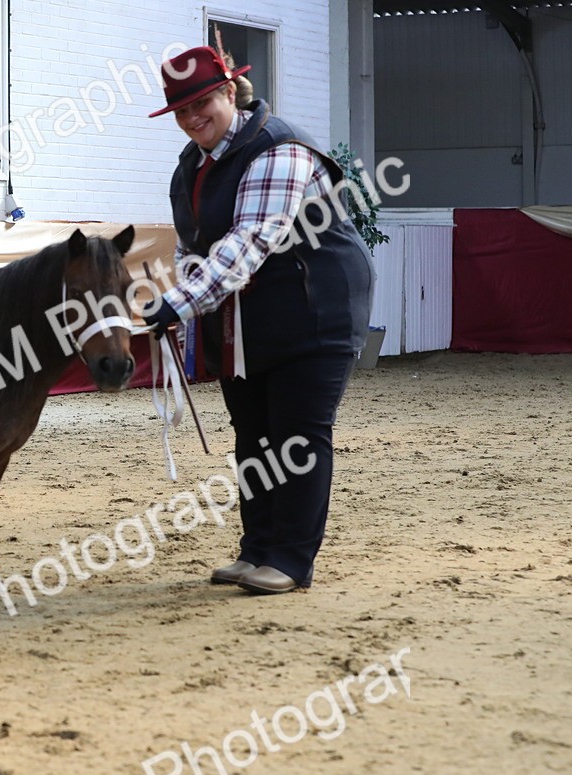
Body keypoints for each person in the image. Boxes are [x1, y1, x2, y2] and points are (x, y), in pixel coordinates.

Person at [143, 45, 375, 595]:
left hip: (317, 305)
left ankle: (292, 560)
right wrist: (181, 295)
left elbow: (248, 241)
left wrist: (181, 303)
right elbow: (192, 247)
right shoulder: (191, 166)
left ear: (229, 93)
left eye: (202, 102)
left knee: (298, 433)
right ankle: (257, 551)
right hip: (247, 315)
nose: (193, 117)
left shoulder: (279, 149)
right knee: (253, 434)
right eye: (181, 110)